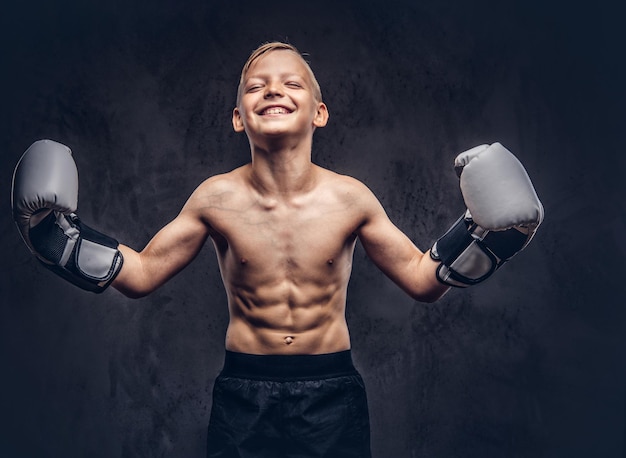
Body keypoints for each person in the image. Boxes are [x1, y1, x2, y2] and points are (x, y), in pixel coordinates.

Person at [11, 42, 543, 458]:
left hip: (332, 393)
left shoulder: (350, 196)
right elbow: (144, 272)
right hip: (244, 392)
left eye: (292, 84)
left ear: (320, 113)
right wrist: (55, 238)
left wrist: (488, 236)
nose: (273, 90)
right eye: (256, 86)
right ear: (240, 116)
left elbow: (421, 279)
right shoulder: (215, 197)